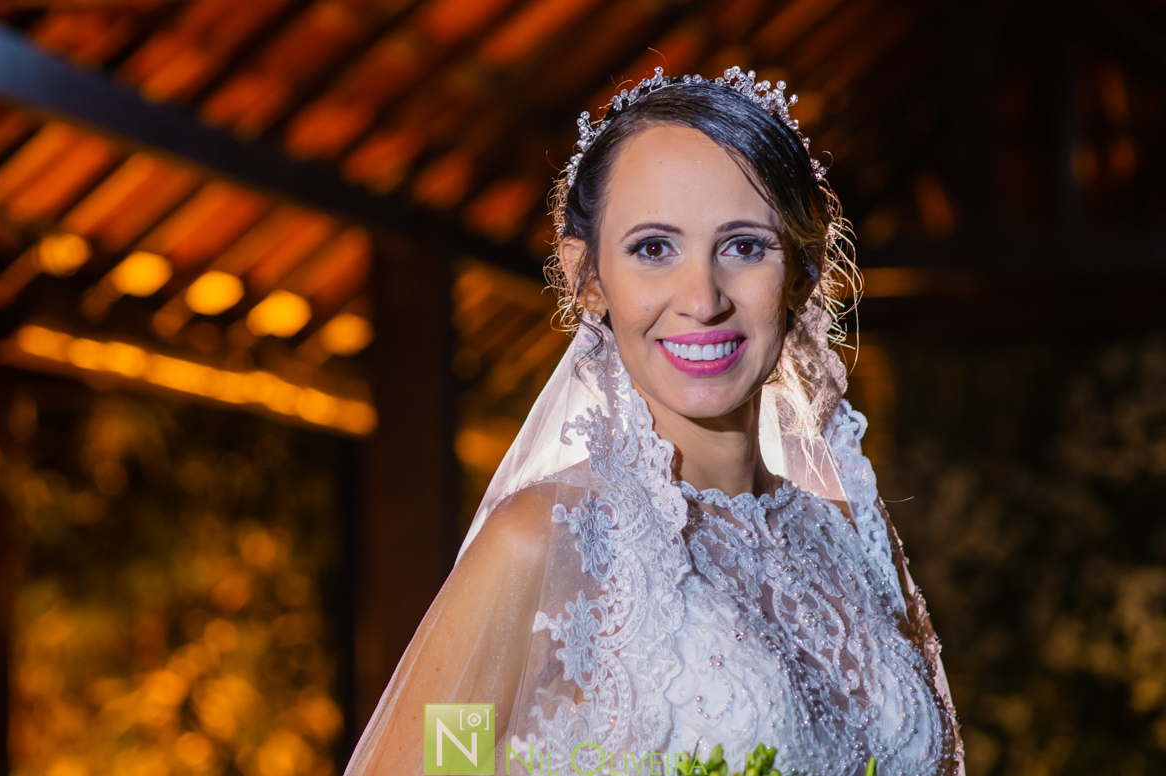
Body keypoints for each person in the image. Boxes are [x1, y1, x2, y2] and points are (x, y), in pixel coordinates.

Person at [343, 67, 964, 776]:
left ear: (802, 269)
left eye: (743, 246)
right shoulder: (539, 544)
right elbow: (431, 768)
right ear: (588, 278)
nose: (701, 298)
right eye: (653, 249)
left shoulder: (854, 537)